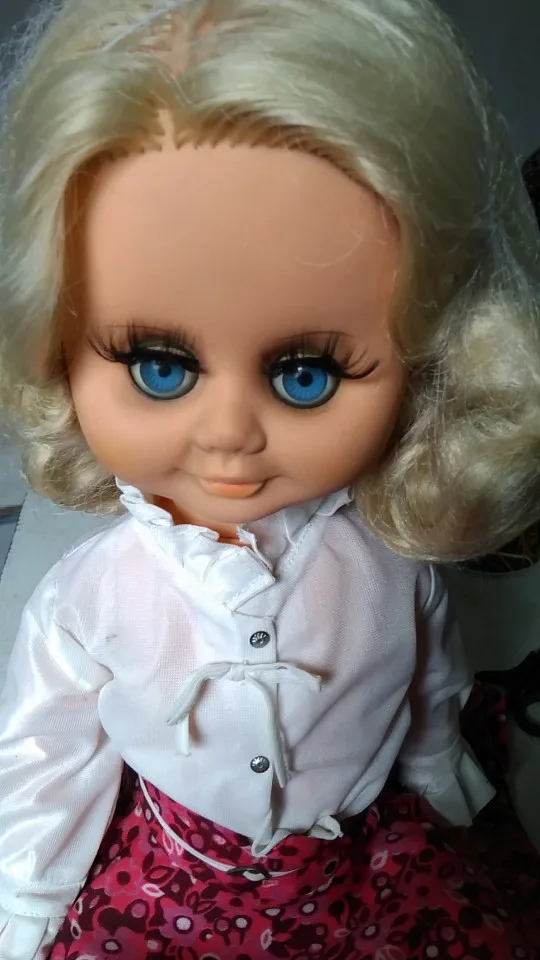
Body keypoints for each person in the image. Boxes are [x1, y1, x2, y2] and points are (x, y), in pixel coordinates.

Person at [0, 1, 539, 957]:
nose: (228, 436)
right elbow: (48, 749)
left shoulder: (392, 565)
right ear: (58, 345)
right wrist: (27, 896)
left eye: (306, 374)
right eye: (157, 365)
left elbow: (428, 676)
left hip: (353, 852)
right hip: (176, 861)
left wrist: (434, 769)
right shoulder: (93, 597)